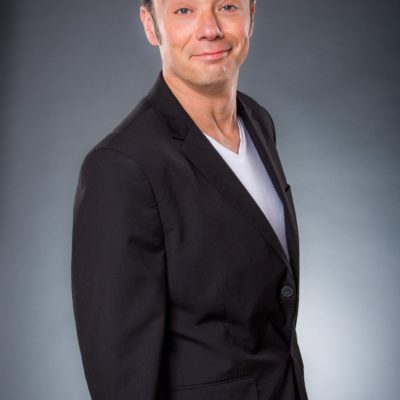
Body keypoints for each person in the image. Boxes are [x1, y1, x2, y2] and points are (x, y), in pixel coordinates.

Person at [71, 0, 308, 399]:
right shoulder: (121, 166)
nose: (210, 29)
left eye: (227, 6)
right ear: (151, 25)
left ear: (251, 14)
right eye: (184, 10)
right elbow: (119, 378)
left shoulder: (257, 122)